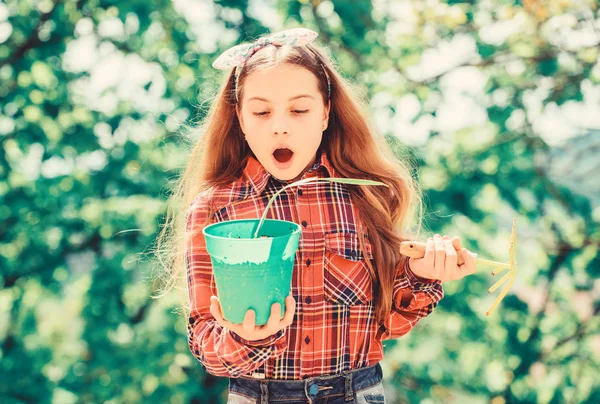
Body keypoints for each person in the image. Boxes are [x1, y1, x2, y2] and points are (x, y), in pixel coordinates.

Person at [182, 27, 477, 403]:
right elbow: (205, 342)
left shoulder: (365, 196)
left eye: (299, 109)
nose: (280, 125)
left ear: (325, 113)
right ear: (239, 118)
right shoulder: (214, 209)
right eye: (260, 111)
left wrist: (422, 275)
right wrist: (247, 338)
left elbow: (387, 323)